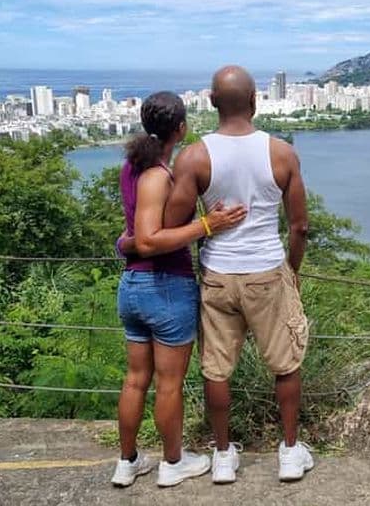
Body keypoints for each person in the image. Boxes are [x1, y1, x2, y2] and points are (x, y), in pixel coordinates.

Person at [166, 65, 312, 484]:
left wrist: (208, 224)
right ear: (255, 101)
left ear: (211, 102)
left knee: (216, 369)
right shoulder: (281, 152)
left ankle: (224, 456)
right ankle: (288, 451)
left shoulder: (194, 156)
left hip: (217, 275)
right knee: (285, 364)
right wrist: (293, 271)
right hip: (267, 270)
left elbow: (174, 227)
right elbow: (300, 226)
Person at [110, 91, 247, 489]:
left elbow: (134, 236)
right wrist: (208, 226)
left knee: (136, 379)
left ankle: (128, 462)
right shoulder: (156, 175)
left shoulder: (130, 168)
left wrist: (125, 243)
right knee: (168, 383)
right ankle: (172, 462)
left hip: (133, 286)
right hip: (165, 286)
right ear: (182, 128)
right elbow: (150, 240)